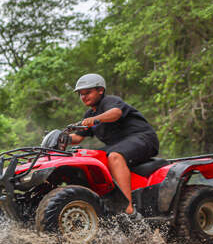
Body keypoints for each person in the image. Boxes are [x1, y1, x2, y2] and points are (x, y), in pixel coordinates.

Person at [68, 73, 159, 216]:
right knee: (90, 158)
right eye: (81, 94)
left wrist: (95, 119)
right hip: (120, 145)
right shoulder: (89, 114)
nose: (84, 97)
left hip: (143, 139)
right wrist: (60, 138)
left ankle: (128, 209)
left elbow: (116, 113)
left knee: (115, 156)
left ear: (100, 90)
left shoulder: (109, 102)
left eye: (88, 92)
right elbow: (78, 137)